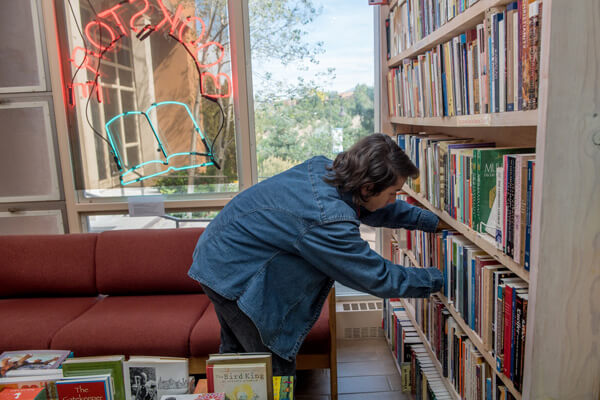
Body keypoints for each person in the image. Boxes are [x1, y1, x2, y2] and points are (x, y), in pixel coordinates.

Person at [188, 133, 444, 377]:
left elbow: (373, 208)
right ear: (367, 188)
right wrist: (441, 280)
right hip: (230, 271)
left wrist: (432, 222)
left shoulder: (327, 171)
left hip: (218, 255)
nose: (394, 200)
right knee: (273, 369)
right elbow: (376, 277)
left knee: (238, 364)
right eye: (392, 193)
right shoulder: (327, 218)